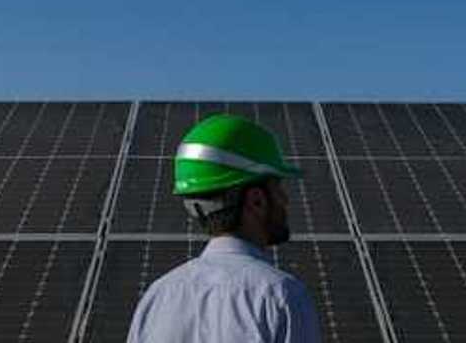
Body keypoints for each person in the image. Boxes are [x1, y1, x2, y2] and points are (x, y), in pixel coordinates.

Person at [126, 114, 322, 343]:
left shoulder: (157, 297)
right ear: (256, 201)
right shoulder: (281, 296)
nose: (285, 200)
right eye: (278, 188)